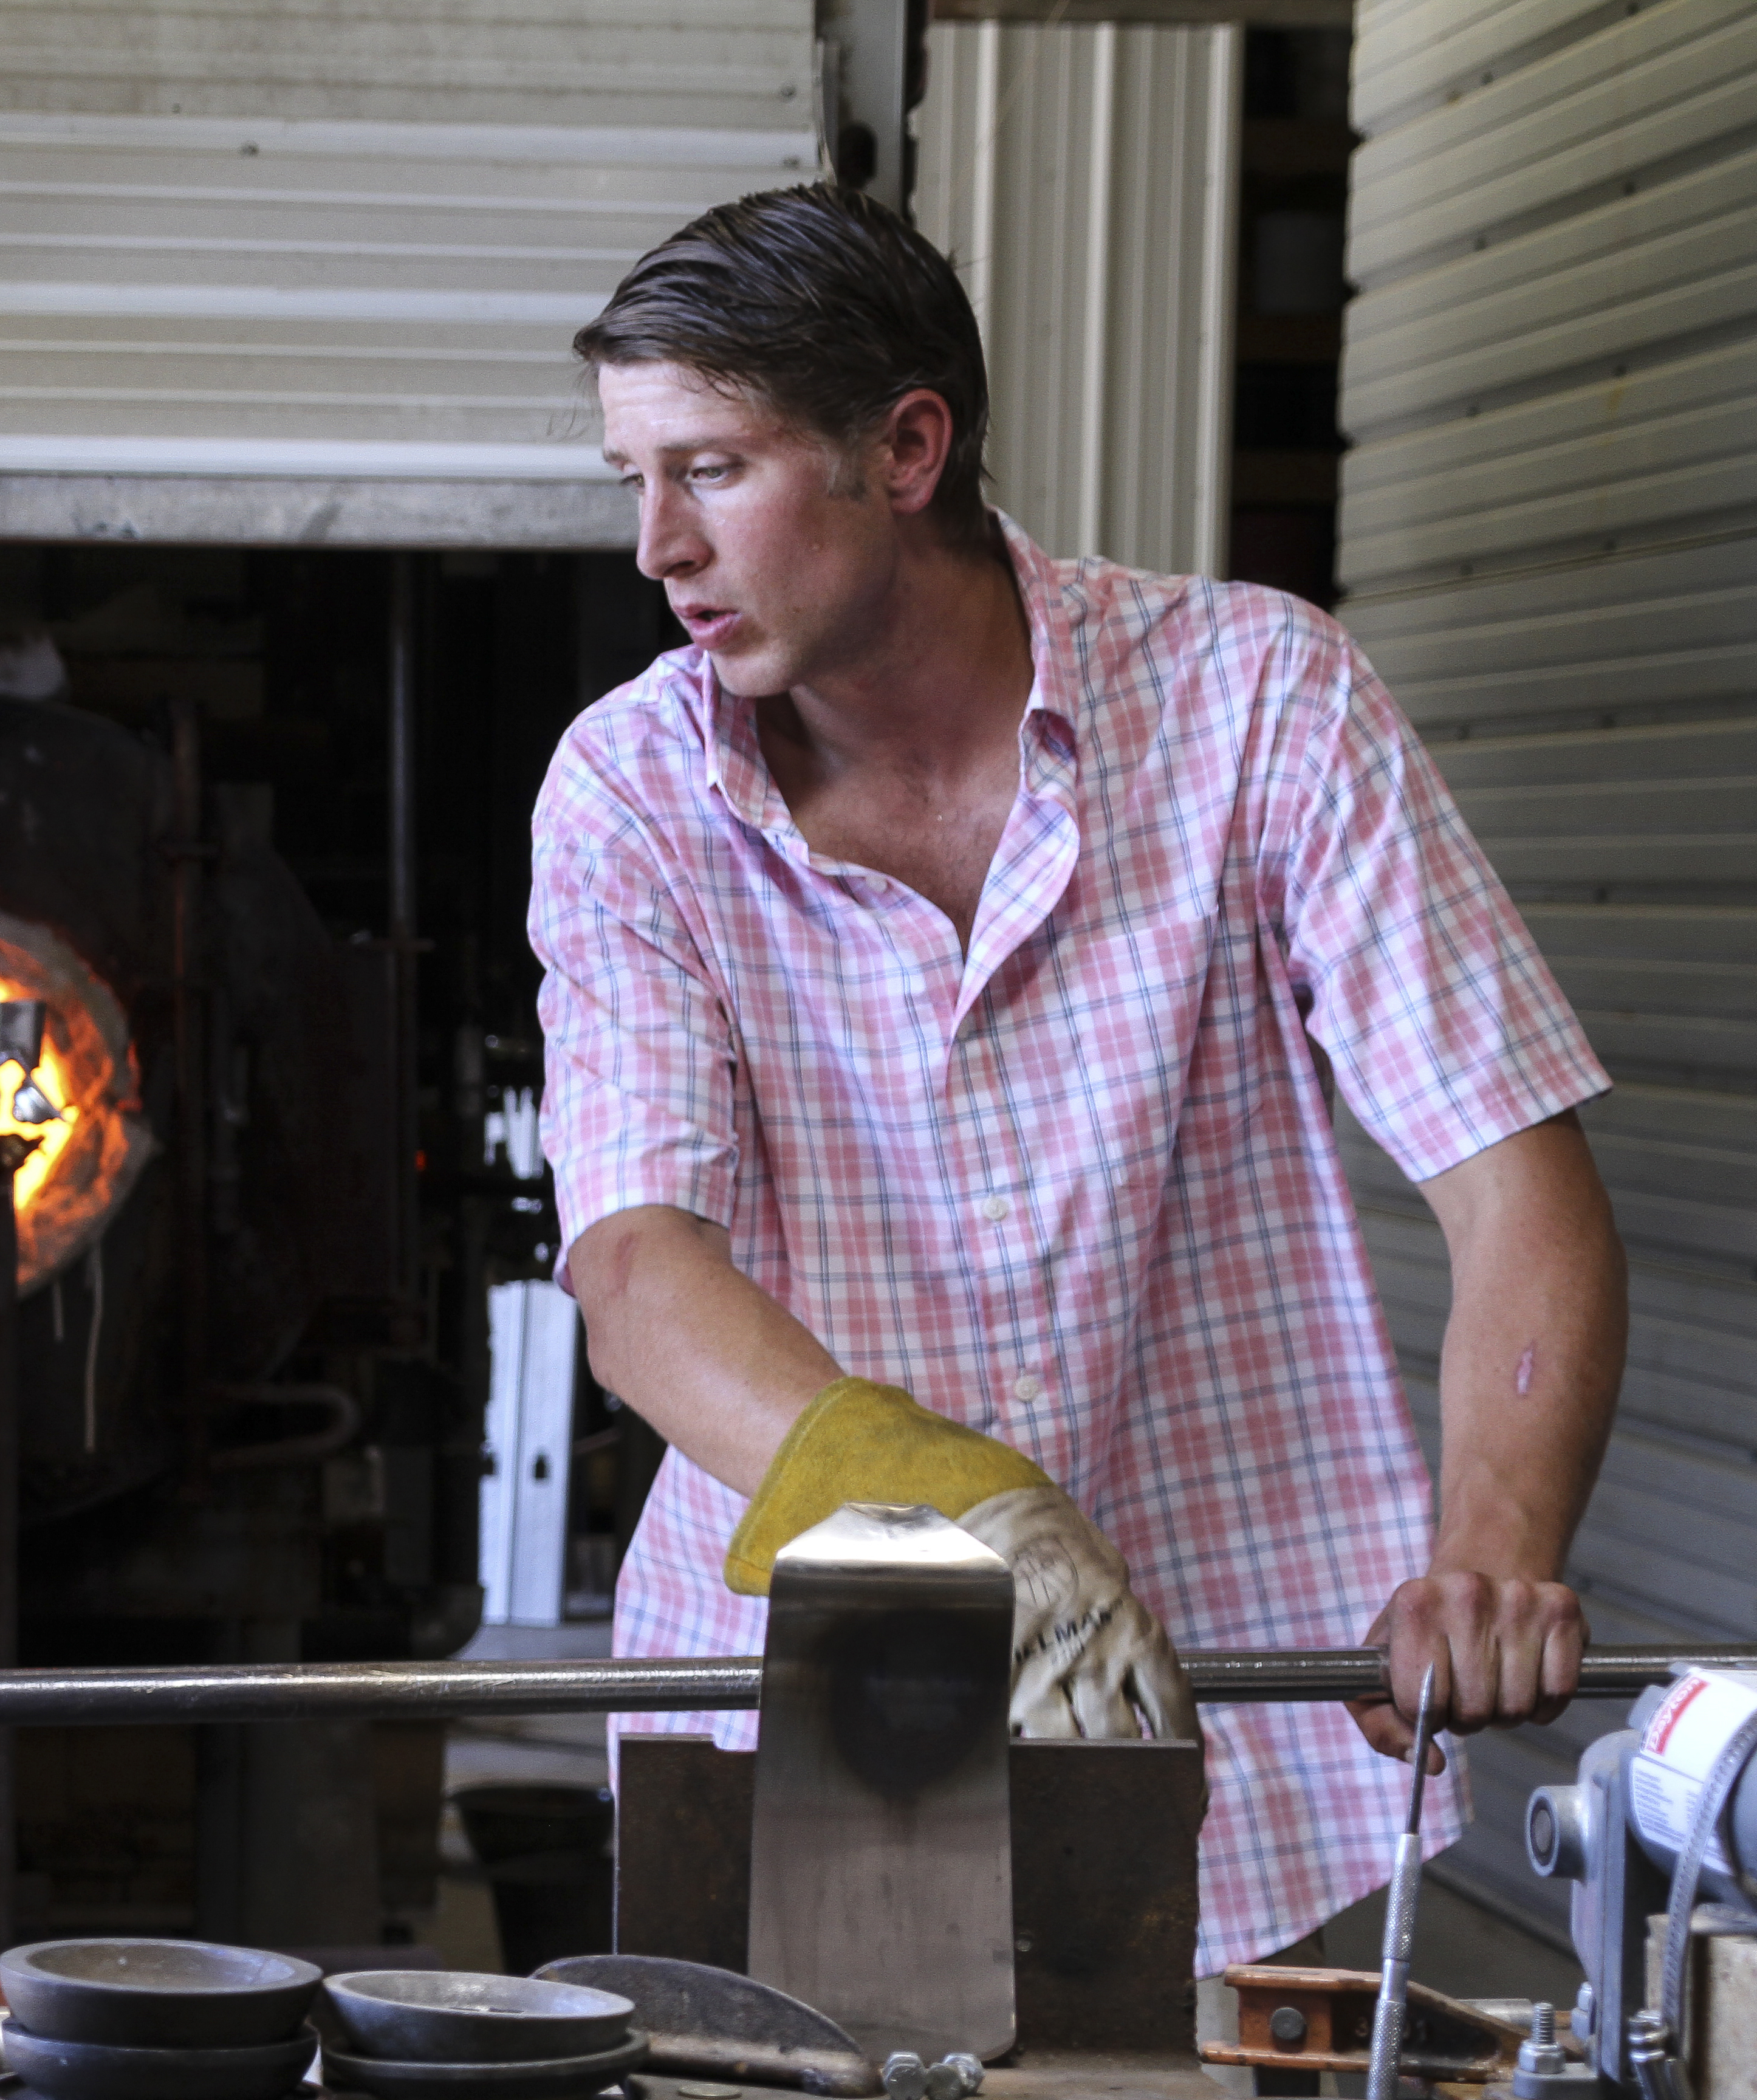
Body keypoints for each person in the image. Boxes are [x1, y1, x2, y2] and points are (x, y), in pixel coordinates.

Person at [529, 186, 1626, 1973]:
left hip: (1232, 1697)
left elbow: (1514, 1176)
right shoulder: (629, 793)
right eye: (631, 479)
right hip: (815, 1699)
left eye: (711, 470)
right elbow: (640, 1267)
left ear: (907, 448)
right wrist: (959, 1512)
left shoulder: (1260, 702)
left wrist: (1492, 1547)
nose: (656, 546)